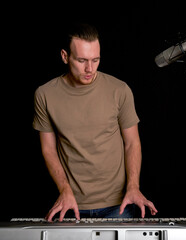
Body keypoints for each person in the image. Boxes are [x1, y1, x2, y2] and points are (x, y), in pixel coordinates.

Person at [32, 22, 157, 222]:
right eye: (81, 60)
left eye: (95, 60)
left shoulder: (119, 90)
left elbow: (132, 142)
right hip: (70, 204)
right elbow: (48, 149)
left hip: (119, 205)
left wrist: (134, 187)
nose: (90, 68)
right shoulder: (45, 94)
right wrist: (64, 190)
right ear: (65, 57)